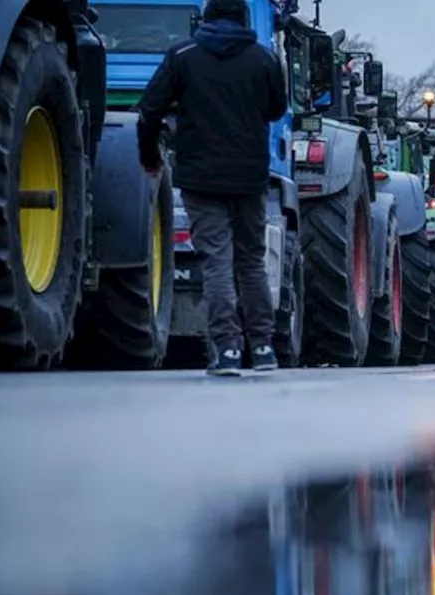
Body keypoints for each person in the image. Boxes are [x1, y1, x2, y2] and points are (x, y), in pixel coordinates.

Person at [136, 0, 287, 376]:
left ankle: (228, 351)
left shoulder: (182, 55)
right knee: (251, 261)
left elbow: (149, 110)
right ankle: (264, 348)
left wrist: (150, 154)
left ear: (206, 17)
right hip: (250, 177)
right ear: (243, 18)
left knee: (216, 262)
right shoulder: (264, 59)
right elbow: (275, 110)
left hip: (199, 178)